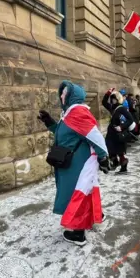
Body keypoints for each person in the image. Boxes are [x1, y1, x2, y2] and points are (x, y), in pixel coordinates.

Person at [37, 81, 109, 246]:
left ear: (71, 96)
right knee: (84, 192)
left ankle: (78, 233)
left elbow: (94, 136)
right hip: (73, 162)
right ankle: (96, 216)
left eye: (65, 93)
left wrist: (103, 157)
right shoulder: (69, 114)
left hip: (77, 163)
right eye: (61, 93)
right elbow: (65, 134)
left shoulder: (77, 113)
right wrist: (49, 122)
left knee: (76, 195)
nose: (61, 96)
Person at [102, 88, 136, 173]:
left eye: (113, 99)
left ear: (117, 99)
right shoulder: (112, 108)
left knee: (120, 151)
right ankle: (115, 162)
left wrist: (121, 127)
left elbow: (130, 119)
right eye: (112, 99)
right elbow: (104, 102)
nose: (112, 100)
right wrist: (108, 92)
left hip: (119, 133)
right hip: (111, 132)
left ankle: (124, 167)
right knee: (110, 148)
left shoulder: (122, 108)